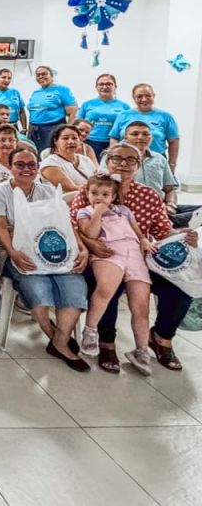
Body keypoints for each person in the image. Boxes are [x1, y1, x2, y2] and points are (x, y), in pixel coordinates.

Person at [70, 143, 198, 373]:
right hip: (104, 255)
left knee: (180, 290)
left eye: (131, 160)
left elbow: (161, 231)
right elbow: (74, 228)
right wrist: (91, 245)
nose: (124, 164)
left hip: (141, 257)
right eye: (117, 159)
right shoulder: (90, 190)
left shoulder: (148, 195)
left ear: (139, 166)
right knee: (107, 287)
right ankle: (106, 342)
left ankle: (160, 339)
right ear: (107, 162)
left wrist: (183, 237)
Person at [0, 148, 89, 371]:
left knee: (73, 287)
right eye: (20, 164)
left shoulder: (47, 191)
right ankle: (52, 333)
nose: (27, 169)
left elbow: (65, 224)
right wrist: (13, 253)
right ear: (10, 166)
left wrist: (82, 249)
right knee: (37, 288)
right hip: (19, 253)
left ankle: (59, 343)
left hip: (52, 251)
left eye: (31, 165)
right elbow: (0, 226)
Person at [77, 174, 157, 375]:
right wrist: (98, 213)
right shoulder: (84, 212)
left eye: (105, 194)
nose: (99, 198)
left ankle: (141, 349)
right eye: (94, 193)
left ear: (113, 196)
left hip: (133, 253)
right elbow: (92, 234)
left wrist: (144, 241)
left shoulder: (125, 211)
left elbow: (137, 232)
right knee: (105, 289)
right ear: (87, 193)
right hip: (108, 252)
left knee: (141, 304)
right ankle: (90, 331)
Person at [119, 122, 199, 228]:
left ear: (151, 137)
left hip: (161, 206)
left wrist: (170, 205)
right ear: (125, 137)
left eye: (145, 134)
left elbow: (169, 189)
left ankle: (167, 222)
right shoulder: (115, 159)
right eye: (135, 134)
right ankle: (165, 224)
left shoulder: (159, 159)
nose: (141, 137)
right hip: (135, 211)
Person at [110, 83, 180, 170]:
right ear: (133, 97)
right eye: (139, 96)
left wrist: (172, 164)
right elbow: (114, 138)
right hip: (126, 160)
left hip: (155, 161)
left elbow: (173, 141)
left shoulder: (166, 116)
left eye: (148, 95)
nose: (144, 99)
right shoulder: (123, 115)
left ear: (153, 96)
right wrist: (114, 156)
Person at [76, 74, 129, 159]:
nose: (105, 87)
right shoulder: (87, 104)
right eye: (101, 84)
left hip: (114, 143)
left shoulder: (124, 106)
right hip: (90, 142)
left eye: (109, 84)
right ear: (96, 87)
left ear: (115, 86)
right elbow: (77, 124)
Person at [27, 65, 77, 152]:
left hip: (53, 128)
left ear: (51, 75)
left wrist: (68, 132)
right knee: (35, 155)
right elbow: (32, 113)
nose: (41, 76)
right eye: (38, 75)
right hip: (34, 130)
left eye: (44, 74)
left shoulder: (62, 89)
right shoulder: (35, 92)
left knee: (51, 155)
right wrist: (29, 131)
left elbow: (73, 112)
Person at [40, 125, 97, 201]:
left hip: (92, 201)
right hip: (65, 206)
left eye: (74, 138)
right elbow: (71, 188)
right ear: (56, 141)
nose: (71, 141)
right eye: (65, 138)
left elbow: (98, 179)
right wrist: (98, 190)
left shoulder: (85, 160)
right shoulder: (49, 163)